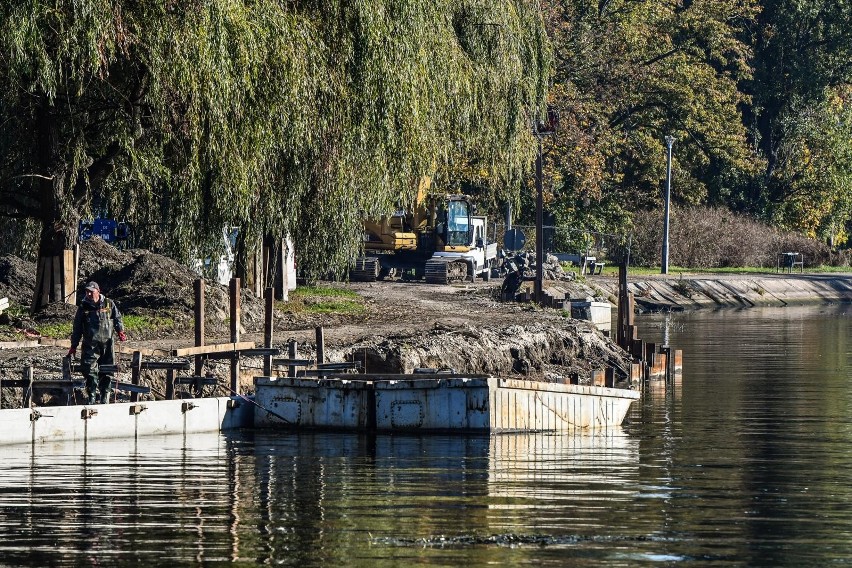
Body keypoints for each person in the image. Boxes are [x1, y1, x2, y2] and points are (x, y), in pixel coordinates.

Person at [67, 281, 127, 404]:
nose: (89, 294)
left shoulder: (109, 303)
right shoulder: (83, 307)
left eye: (91, 291)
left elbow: (117, 317)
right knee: (88, 369)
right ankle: (92, 396)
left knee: (108, 369)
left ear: (98, 291)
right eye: (87, 291)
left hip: (107, 343)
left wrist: (120, 330)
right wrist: (74, 345)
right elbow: (77, 327)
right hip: (90, 344)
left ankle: (105, 395)